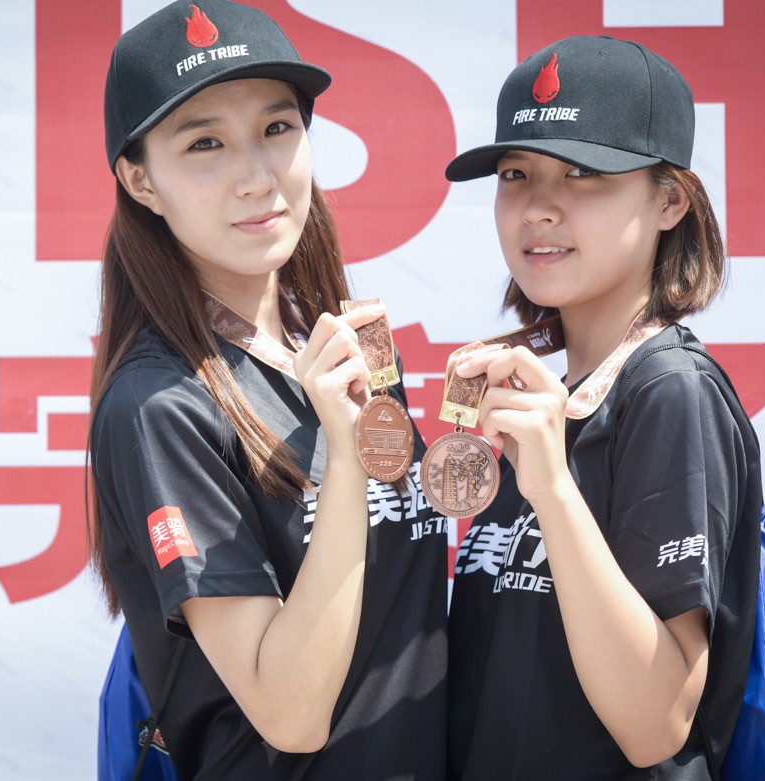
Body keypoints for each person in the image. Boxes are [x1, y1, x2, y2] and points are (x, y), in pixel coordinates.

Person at [87, 2, 448, 779]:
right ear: (141, 180)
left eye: (277, 128)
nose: (257, 176)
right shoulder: (160, 406)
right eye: (205, 143)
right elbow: (291, 712)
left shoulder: (340, 346)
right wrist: (346, 461)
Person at [445, 36, 762, 779]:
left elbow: (658, 724)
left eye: (583, 172)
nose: (539, 207)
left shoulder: (670, 391)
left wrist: (554, 491)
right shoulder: (550, 397)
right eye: (516, 173)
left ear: (670, 200)